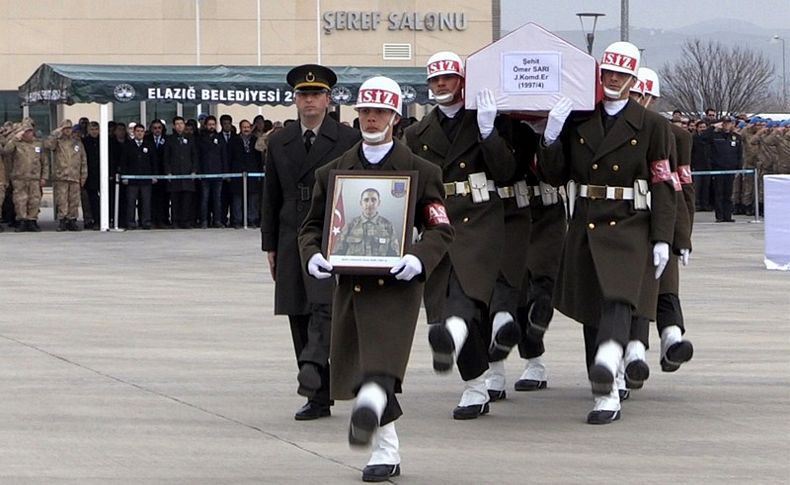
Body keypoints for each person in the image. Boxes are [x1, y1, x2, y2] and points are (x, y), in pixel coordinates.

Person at [298, 75, 453, 482]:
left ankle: (377, 436)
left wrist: (419, 259)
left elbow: (440, 228)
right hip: (352, 285)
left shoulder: (421, 170)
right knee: (362, 370)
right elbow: (313, 226)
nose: (371, 119)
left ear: (395, 117)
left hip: (397, 288)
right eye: (365, 111)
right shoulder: (332, 172)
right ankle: (388, 448)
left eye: (380, 112)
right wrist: (313, 254)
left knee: (380, 369)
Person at [539, 41, 676, 424]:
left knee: (618, 297)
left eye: (621, 74)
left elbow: (663, 183)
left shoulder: (652, 125)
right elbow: (554, 175)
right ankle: (604, 388)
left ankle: (609, 363)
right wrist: (550, 137)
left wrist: (664, 236)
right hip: (586, 218)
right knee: (592, 309)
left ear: (633, 79)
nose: (613, 79)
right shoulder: (582, 119)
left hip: (630, 219)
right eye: (608, 73)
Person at [403, 51, 515, 420]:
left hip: (480, 219)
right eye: (435, 80)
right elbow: (408, 183)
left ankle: (472, 376)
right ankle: (478, 381)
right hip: (438, 222)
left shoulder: (482, 119)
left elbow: (505, 171)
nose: (441, 85)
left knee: (464, 298)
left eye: (448, 78)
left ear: (462, 80)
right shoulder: (416, 132)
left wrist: (487, 132)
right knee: (449, 303)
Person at [261, 63, 359, 421]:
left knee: (325, 308)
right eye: (303, 95)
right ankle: (318, 396)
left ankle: (317, 371)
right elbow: (270, 196)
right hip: (290, 235)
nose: (309, 101)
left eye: (316, 94)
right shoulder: (280, 140)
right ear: (294, 100)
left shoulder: (347, 139)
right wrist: (269, 244)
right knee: (298, 312)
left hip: (333, 232)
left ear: (329, 99)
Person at [45, 119, 87, 232]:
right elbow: (48, 145)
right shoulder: (57, 142)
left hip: (74, 176)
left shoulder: (77, 142)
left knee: (74, 200)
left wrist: (83, 176)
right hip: (61, 176)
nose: (68, 131)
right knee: (62, 199)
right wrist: (55, 133)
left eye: (69, 128)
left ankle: (72, 220)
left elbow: (83, 160)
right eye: (65, 129)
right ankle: (62, 221)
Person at [4, 122, 48, 232]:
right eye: (25, 132)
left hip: (34, 178)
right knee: (20, 201)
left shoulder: (38, 144)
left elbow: (44, 162)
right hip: (19, 178)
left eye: (30, 131)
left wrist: (44, 177)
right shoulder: (16, 143)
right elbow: (6, 151)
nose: (28, 134)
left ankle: (32, 221)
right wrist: (14, 138)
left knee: (34, 200)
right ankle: (22, 221)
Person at [333, 188, 400, 257]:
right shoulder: (350, 225)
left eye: (373, 200)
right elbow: (338, 253)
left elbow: (395, 255)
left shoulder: (388, 226)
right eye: (366, 200)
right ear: (361, 203)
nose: (370, 204)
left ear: (379, 203)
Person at [164, 116, 199, 229]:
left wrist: (194, 171)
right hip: (174, 174)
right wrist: (168, 172)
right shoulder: (169, 139)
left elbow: (195, 156)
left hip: (188, 174)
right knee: (175, 200)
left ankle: (186, 221)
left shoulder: (190, 138)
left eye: (181, 123)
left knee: (187, 200)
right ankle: (175, 221)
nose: (179, 126)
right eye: (177, 124)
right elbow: (166, 157)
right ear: (174, 126)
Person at [121, 124, 158, 229]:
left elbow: (154, 162)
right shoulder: (128, 145)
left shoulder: (149, 145)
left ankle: (146, 222)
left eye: (142, 131)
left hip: (146, 180)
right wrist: (125, 177)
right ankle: (131, 222)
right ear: (134, 132)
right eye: (137, 131)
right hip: (132, 180)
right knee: (131, 202)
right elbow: (124, 162)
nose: (140, 133)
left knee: (146, 202)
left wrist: (154, 176)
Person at [709, 116, 742, 222]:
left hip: (731, 168)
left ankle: (728, 216)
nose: (727, 125)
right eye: (725, 123)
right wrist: (712, 127)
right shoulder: (715, 136)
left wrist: (739, 168)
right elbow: (702, 139)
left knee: (728, 193)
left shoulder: (736, 137)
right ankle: (719, 216)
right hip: (718, 168)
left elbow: (739, 154)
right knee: (719, 193)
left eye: (729, 123)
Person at [229, 120, 261, 228]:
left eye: (248, 127)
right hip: (238, 173)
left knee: (253, 198)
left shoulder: (255, 140)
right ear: (240, 128)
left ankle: (252, 220)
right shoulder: (234, 141)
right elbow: (230, 157)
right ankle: (237, 220)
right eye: (244, 127)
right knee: (237, 199)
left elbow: (259, 158)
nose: (246, 129)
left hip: (252, 172)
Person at [197, 115, 226, 228]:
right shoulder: (200, 138)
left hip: (218, 173)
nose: (211, 127)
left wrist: (225, 172)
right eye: (209, 125)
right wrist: (198, 171)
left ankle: (217, 220)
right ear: (205, 125)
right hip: (205, 173)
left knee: (217, 199)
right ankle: (204, 220)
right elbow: (198, 156)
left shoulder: (220, 138)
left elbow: (224, 156)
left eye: (213, 124)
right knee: (204, 198)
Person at [146, 119, 171, 228]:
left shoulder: (167, 139)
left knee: (164, 198)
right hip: (150, 173)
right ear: (151, 129)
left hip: (164, 173)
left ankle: (164, 220)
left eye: (159, 128)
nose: (157, 130)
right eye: (155, 128)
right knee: (151, 199)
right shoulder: (147, 139)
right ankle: (152, 220)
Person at [81, 122, 101, 229]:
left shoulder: (104, 141)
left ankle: (102, 219)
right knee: (91, 200)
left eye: (96, 129)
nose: (94, 131)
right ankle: (93, 220)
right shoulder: (84, 142)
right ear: (88, 130)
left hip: (101, 175)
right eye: (92, 129)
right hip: (89, 175)